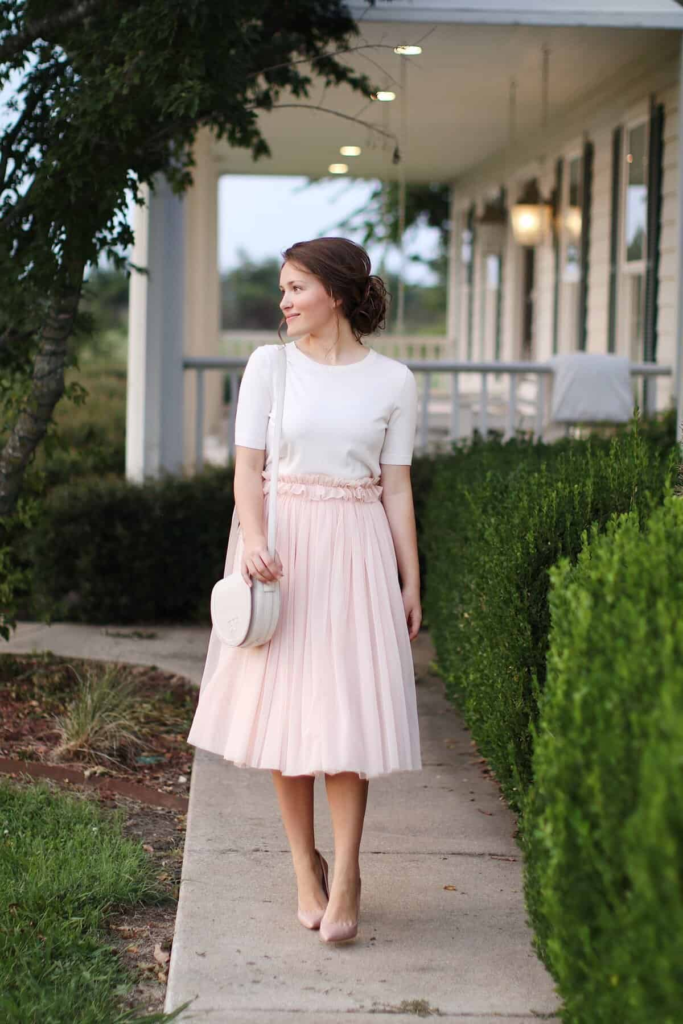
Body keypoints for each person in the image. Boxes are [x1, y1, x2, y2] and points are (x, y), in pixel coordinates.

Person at [186, 236, 422, 944]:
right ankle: (303, 868)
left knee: (347, 721)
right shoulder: (269, 366)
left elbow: (397, 488)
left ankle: (346, 873)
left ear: (337, 294)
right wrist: (254, 540)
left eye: (296, 288)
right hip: (280, 554)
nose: (283, 301)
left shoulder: (394, 382)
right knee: (285, 722)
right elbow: (246, 469)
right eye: (283, 288)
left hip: (356, 555)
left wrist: (411, 579)